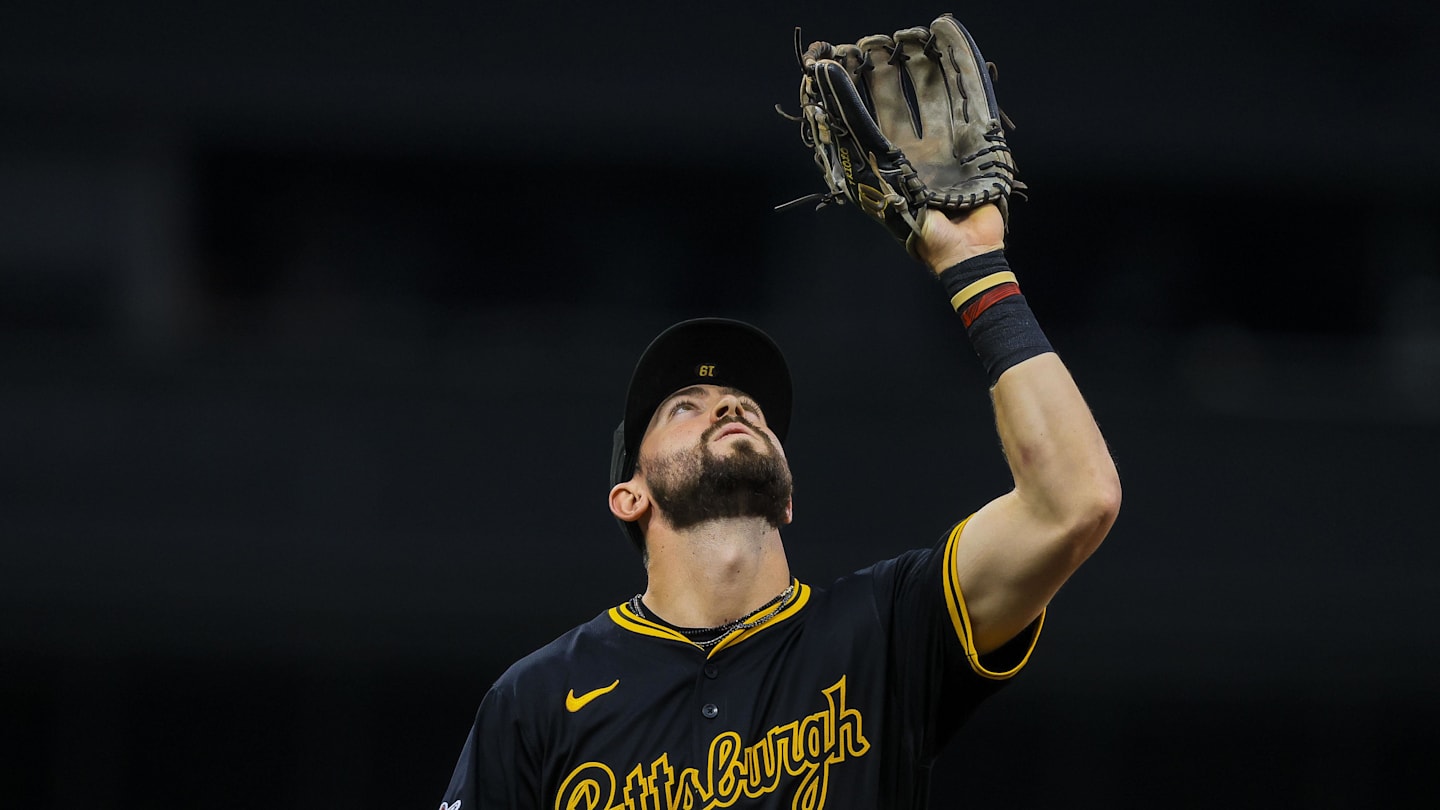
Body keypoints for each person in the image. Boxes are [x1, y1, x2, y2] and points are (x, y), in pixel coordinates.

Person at [435, 195, 1122, 808]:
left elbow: (1075, 502)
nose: (730, 405)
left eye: (748, 405)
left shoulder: (883, 630)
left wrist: (976, 267)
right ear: (629, 496)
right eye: (684, 406)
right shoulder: (538, 699)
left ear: (787, 498)